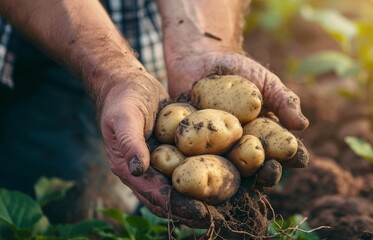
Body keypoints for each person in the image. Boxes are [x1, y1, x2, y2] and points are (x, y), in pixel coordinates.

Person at [0, 0, 308, 224]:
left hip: (134, 45)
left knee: (83, 207)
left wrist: (201, 45)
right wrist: (113, 74)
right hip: (40, 28)